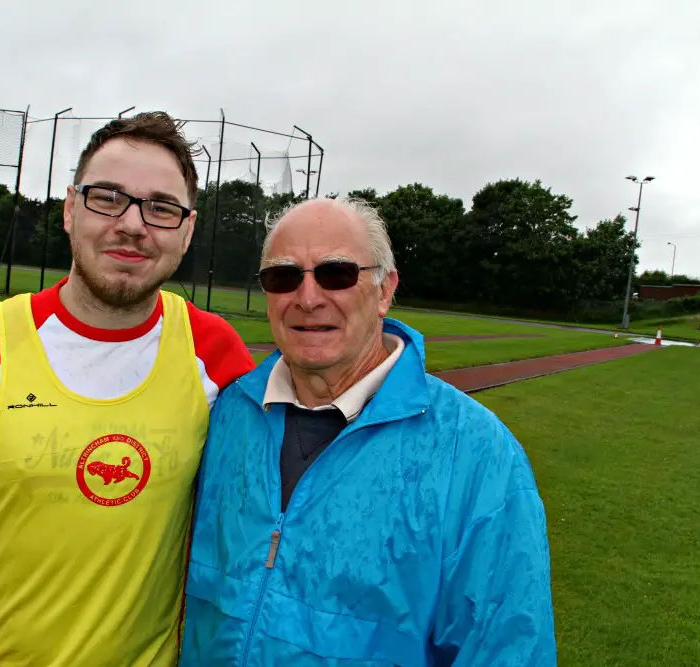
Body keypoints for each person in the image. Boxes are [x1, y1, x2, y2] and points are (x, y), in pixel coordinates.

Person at [0, 111, 254, 667]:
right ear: (71, 209)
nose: (133, 224)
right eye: (108, 197)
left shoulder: (216, 354)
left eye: (161, 207)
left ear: (188, 229)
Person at [181, 197, 557, 665]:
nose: (308, 297)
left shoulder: (478, 452)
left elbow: (506, 647)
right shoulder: (226, 414)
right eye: (284, 276)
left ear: (384, 290)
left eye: (336, 274)